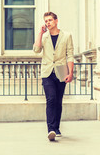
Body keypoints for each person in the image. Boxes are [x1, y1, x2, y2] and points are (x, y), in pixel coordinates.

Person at [33, 12, 74, 141]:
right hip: (47, 71)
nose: (48, 23)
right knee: (51, 99)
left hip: (62, 70)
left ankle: (56, 127)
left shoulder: (67, 36)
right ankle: (50, 129)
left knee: (58, 101)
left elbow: (70, 55)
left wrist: (71, 72)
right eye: (46, 21)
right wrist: (40, 33)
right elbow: (36, 50)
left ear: (56, 21)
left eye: (50, 20)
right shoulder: (44, 37)